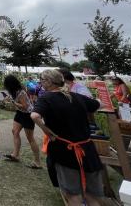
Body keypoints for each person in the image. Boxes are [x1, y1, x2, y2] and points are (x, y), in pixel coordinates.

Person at [31, 69, 103, 206]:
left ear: (49, 82)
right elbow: (98, 104)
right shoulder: (76, 96)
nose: (40, 83)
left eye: (41, 80)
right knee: (91, 196)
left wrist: (49, 133)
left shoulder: (46, 98)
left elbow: (34, 116)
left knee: (73, 195)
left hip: (65, 152)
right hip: (88, 150)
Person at [3, 74, 41, 169]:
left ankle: (37, 162)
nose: (5, 86)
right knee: (15, 132)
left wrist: (14, 103)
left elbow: (25, 106)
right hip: (20, 114)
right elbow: (16, 103)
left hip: (28, 115)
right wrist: (8, 99)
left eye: (6, 84)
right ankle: (15, 155)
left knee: (30, 138)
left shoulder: (21, 92)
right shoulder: (13, 92)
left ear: (11, 84)